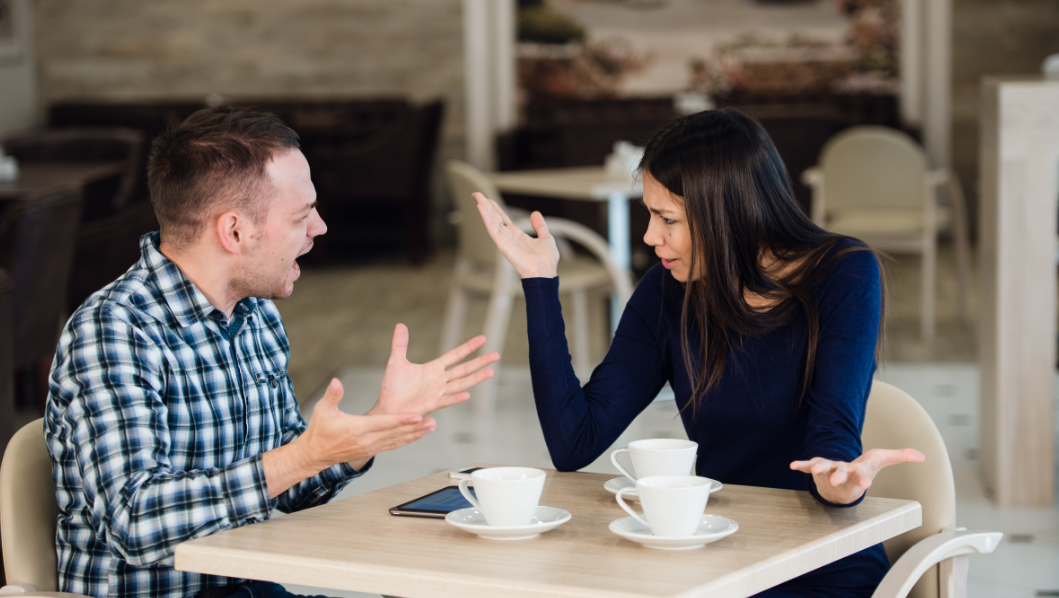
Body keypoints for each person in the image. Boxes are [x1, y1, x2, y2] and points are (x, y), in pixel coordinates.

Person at [44, 107, 499, 598]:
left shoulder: (255, 314)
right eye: (302, 215)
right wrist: (304, 455)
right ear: (235, 231)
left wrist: (372, 429)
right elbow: (132, 522)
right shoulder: (114, 332)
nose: (320, 228)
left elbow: (295, 483)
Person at [473, 108, 923, 598]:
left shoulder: (843, 274)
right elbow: (574, 442)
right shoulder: (667, 289)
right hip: (714, 555)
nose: (650, 236)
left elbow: (832, 433)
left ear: (727, 212)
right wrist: (540, 283)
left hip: (819, 562)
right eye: (649, 214)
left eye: (667, 218)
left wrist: (840, 480)